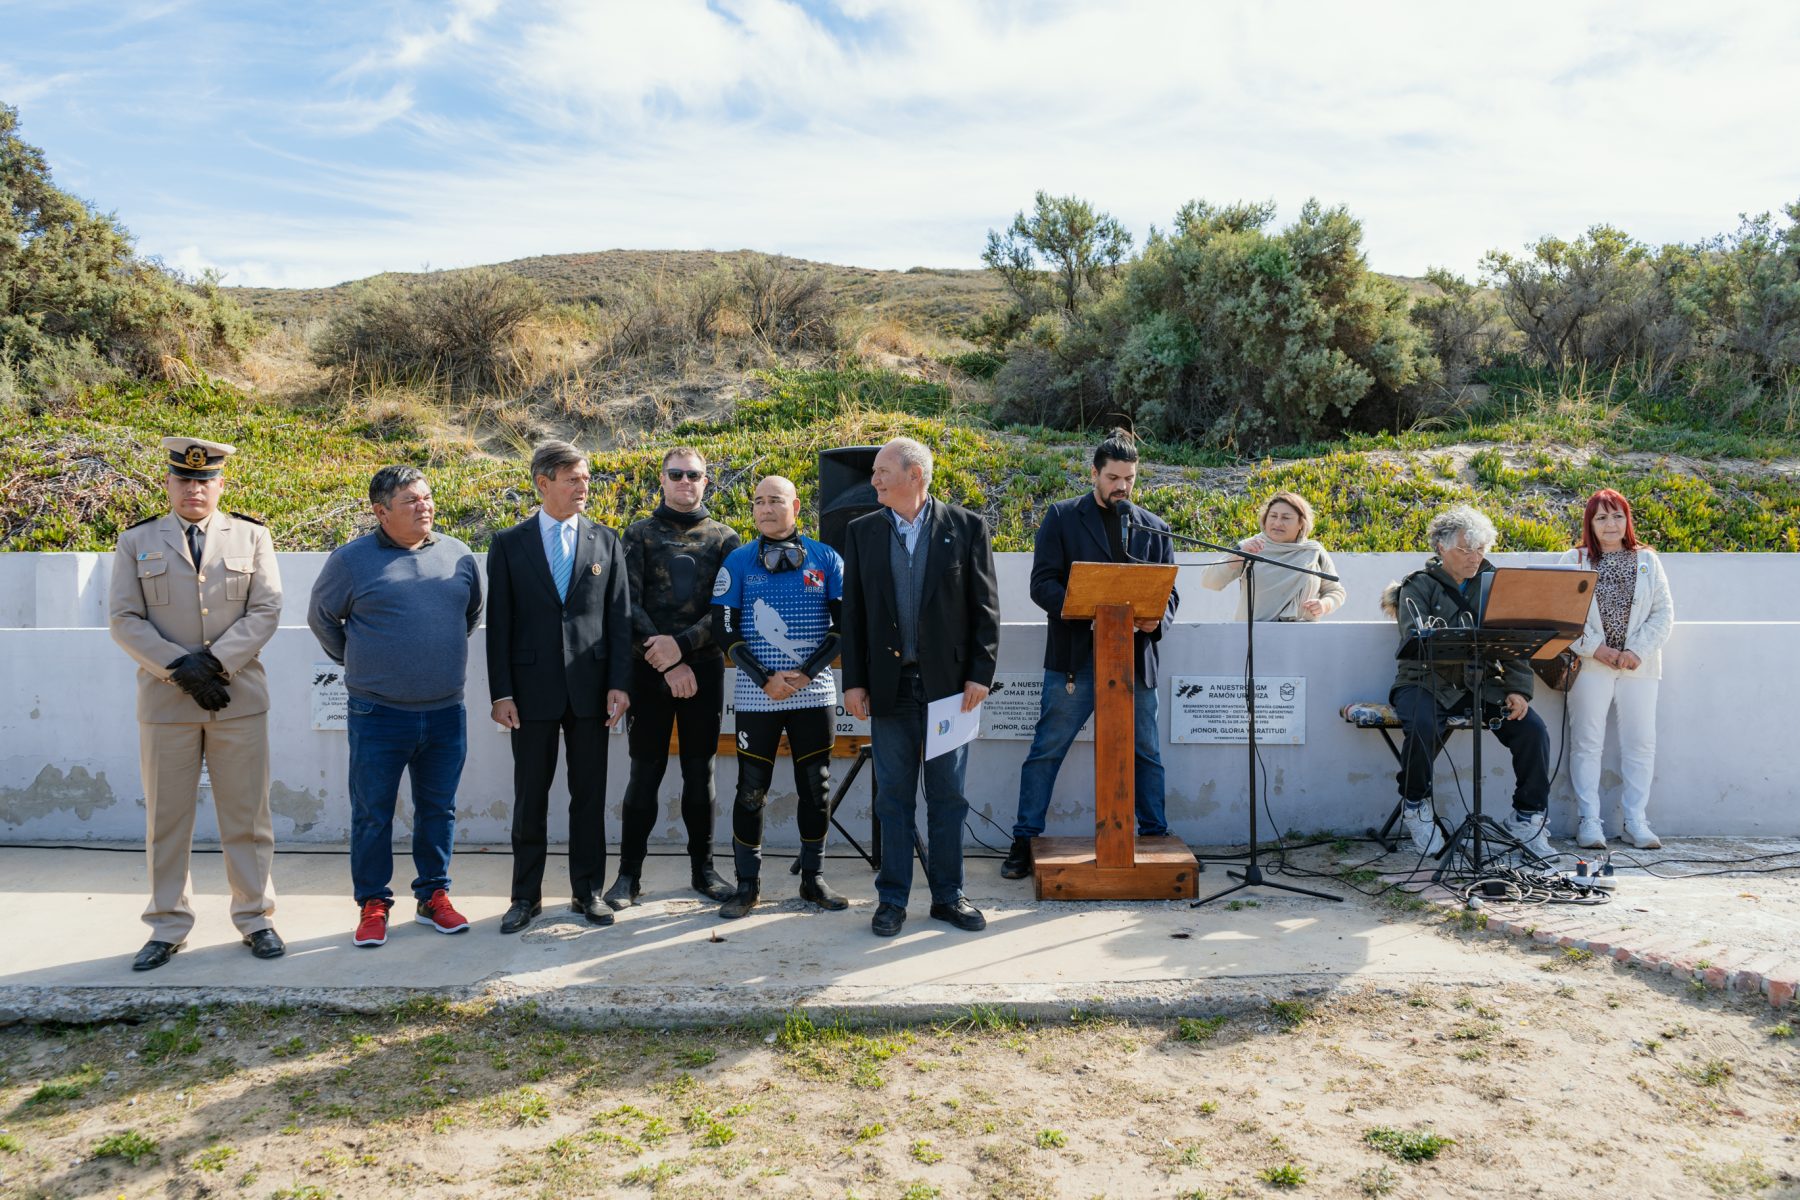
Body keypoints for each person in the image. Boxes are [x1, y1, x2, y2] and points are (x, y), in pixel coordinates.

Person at [108, 437, 284, 970]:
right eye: (184, 479)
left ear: (220, 484)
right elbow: (124, 618)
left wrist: (214, 663)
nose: (194, 489)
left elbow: (266, 609)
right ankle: (167, 925)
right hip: (166, 704)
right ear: (168, 483)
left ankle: (255, 918)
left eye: (205, 480)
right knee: (167, 820)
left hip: (237, 698)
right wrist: (178, 668)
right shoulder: (136, 540)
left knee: (247, 817)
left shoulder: (252, 535)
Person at [308, 465, 484, 947]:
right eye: (410, 500)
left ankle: (433, 896)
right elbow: (322, 618)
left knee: (438, 810)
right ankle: (373, 902)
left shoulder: (458, 554)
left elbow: (469, 614)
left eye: (427, 497)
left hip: (446, 712)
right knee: (372, 812)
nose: (424, 506)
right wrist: (360, 661)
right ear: (381, 511)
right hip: (378, 714)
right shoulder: (351, 561)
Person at [998, 432, 1178, 881]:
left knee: (1146, 753)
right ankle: (1024, 839)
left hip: (1135, 660)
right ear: (1094, 473)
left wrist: (1156, 620)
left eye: (1129, 478)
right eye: (1113, 477)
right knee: (1047, 750)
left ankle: (1155, 837)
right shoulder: (1062, 517)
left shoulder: (1153, 526)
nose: (1122, 486)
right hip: (1075, 661)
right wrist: (1088, 613)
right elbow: (1042, 583)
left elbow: (1170, 593)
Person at [842, 437, 1001, 936]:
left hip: (950, 691)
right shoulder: (862, 532)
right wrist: (854, 682)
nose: (873, 480)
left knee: (948, 796)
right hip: (890, 689)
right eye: (874, 472)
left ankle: (949, 896)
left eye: (882, 471)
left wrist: (980, 673)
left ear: (915, 475)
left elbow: (985, 608)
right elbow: (854, 613)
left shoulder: (966, 527)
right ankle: (892, 899)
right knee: (892, 798)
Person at [485, 440, 633, 934]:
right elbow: (499, 626)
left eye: (586, 479)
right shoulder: (509, 544)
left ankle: (587, 891)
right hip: (530, 693)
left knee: (588, 795)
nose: (583, 487)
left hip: (591, 691)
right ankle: (524, 897)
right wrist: (501, 693)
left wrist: (619, 684)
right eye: (573, 480)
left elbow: (619, 618)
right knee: (531, 797)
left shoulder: (605, 540)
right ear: (543, 483)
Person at [604, 446, 741, 910]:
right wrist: (666, 658)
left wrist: (681, 648)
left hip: (703, 670)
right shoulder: (639, 534)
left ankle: (704, 870)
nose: (685, 482)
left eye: (694, 475)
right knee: (645, 772)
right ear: (662, 480)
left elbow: (727, 610)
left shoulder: (724, 539)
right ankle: (628, 876)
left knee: (700, 772)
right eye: (676, 474)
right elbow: (626, 603)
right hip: (648, 671)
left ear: (706, 482)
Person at [709, 475, 849, 919]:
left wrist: (807, 673)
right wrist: (764, 678)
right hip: (757, 695)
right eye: (758, 502)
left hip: (814, 692)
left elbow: (844, 626)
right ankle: (747, 885)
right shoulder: (738, 560)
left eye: (775, 500)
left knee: (816, 787)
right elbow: (723, 628)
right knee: (751, 790)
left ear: (796, 506)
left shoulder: (827, 558)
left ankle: (813, 879)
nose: (765, 509)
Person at [1381, 505, 1554, 859]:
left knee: (1532, 731)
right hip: (1424, 681)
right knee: (1424, 725)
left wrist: (1518, 689)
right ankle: (1416, 805)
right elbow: (1416, 638)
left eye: (1481, 549)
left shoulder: (1496, 584)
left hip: (1481, 684)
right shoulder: (1417, 585)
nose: (1475, 557)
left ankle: (1527, 817)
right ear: (1441, 547)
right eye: (1465, 549)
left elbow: (1513, 641)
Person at [1559, 489, 1675, 850]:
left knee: (1641, 743)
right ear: (1590, 523)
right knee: (1586, 742)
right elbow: (1562, 613)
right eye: (1602, 517)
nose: (1611, 524)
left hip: (1639, 666)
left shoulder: (1648, 560)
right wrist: (1596, 648)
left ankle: (1636, 820)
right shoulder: (1574, 560)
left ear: (1627, 520)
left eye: (1617, 516)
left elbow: (1663, 613)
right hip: (1591, 664)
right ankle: (1589, 820)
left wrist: (1636, 651)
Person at [1198, 491, 1346, 621]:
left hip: (1302, 636)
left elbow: (1335, 591)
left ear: (1301, 523)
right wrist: (1238, 557)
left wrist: (1324, 605)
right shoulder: (1249, 547)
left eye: (1286, 518)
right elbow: (1209, 582)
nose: (1277, 523)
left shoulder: (1314, 551)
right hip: (1254, 637)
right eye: (1273, 516)